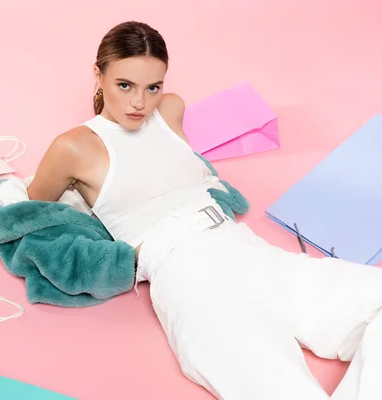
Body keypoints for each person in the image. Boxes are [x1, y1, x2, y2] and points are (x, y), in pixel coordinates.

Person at [26, 20, 382, 400]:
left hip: (252, 253)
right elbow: (31, 213)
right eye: (125, 85)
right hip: (192, 282)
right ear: (98, 75)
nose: (139, 103)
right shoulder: (73, 147)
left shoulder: (171, 110)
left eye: (153, 87)